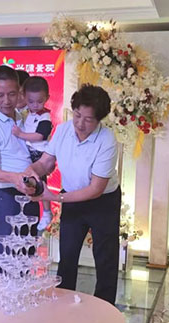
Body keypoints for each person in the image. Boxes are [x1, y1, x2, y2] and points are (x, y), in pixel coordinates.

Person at [24, 84, 121, 304]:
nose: (80, 123)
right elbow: (46, 162)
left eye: (88, 119)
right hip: (71, 197)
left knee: (105, 257)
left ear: (99, 120)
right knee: (67, 253)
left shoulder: (107, 140)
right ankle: (63, 303)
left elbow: (95, 189)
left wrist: (53, 197)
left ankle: (105, 307)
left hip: (103, 202)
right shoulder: (64, 130)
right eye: (77, 115)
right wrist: (31, 171)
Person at [0, 65, 39, 271]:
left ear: (19, 91)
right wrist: (15, 178)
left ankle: (23, 291)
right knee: (5, 255)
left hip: (28, 192)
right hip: (6, 197)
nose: (6, 101)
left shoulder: (22, 117)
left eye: (12, 94)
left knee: (26, 253)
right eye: (0, 95)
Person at [11, 76, 53, 231]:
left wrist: (21, 134)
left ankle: (47, 212)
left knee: (40, 183)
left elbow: (40, 136)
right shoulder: (27, 113)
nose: (35, 105)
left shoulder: (45, 116)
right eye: (31, 101)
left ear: (47, 98)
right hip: (30, 152)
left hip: (40, 154)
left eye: (39, 101)